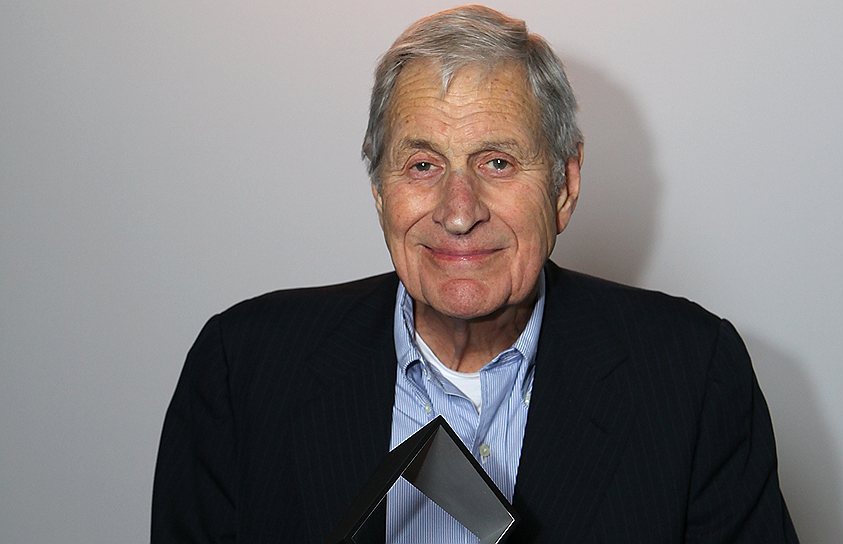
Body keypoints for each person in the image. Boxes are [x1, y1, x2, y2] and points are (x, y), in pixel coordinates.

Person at [152, 5, 798, 543]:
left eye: (497, 163)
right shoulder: (244, 366)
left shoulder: (692, 374)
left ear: (564, 186)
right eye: (423, 165)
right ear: (380, 190)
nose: (459, 213)